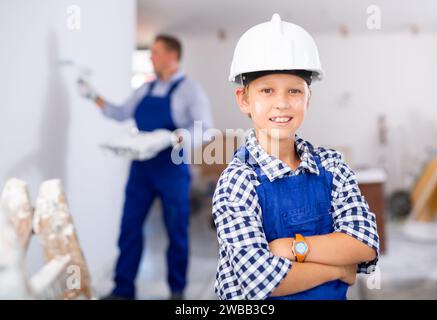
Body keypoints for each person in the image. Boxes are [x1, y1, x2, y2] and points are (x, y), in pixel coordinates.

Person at [212, 14, 379, 300]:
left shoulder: (332, 166)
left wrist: (291, 248)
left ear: (307, 99)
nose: (282, 102)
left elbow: (365, 245)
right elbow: (261, 281)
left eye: (294, 90)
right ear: (244, 99)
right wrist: (338, 269)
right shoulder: (237, 181)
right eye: (267, 90)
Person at [80, 34, 214, 300]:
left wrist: (175, 137)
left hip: (172, 169)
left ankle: (177, 292)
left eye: (155, 52)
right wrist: (93, 95)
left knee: (176, 232)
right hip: (141, 170)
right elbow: (120, 112)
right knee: (129, 227)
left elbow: (206, 130)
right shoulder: (145, 89)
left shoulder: (190, 90)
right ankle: (123, 290)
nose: (151, 57)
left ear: (172, 56)